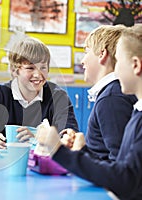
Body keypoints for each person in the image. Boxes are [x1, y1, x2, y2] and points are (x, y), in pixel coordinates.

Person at [37, 24, 142, 199]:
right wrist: (83, 150)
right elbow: (124, 167)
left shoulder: (112, 98)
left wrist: (58, 150)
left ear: (136, 65)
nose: (116, 69)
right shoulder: (137, 111)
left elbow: (125, 177)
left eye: (119, 61)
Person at [0, 37, 78, 149]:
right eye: (30, 68)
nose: (38, 75)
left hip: (45, 161)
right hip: (8, 159)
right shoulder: (0, 94)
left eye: (43, 67)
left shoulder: (58, 97)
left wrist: (39, 137)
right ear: (14, 70)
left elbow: (71, 136)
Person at [61, 25, 137, 160]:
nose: (82, 61)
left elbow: (121, 165)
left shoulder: (111, 98)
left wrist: (78, 157)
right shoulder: (112, 93)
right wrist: (81, 149)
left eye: (86, 52)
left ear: (102, 54)